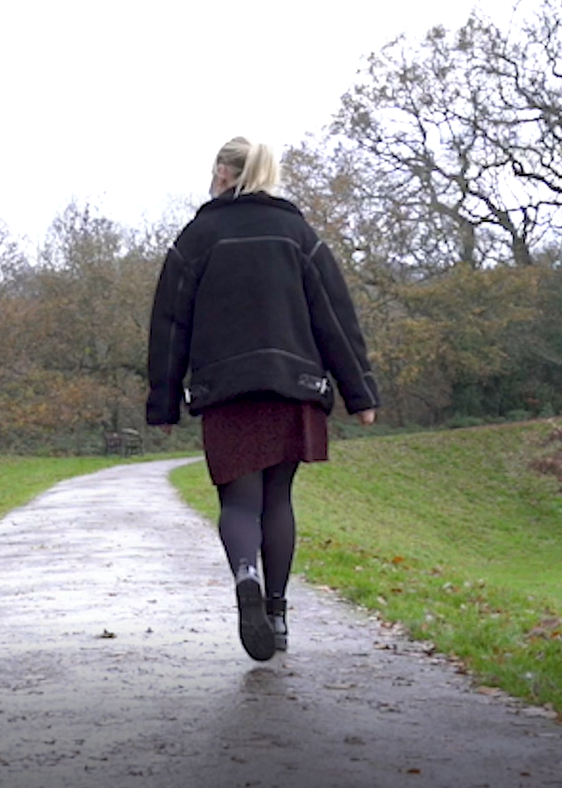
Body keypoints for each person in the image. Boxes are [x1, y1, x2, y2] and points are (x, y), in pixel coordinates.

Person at [146, 137, 379, 661]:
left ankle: (244, 576)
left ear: (224, 174)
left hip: (226, 389)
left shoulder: (198, 236)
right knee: (278, 499)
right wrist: (358, 391)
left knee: (239, 501)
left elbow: (169, 323)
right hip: (291, 385)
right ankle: (276, 613)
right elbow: (335, 318)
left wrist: (163, 402)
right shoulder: (297, 234)